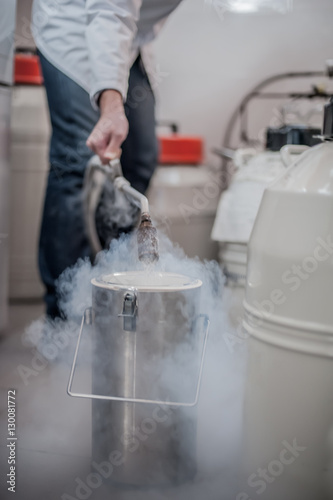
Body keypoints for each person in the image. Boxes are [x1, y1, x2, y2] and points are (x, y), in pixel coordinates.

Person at [31, 0, 182, 319]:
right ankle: (66, 311)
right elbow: (109, 11)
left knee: (140, 159)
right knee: (78, 160)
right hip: (75, 26)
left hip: (130, 39)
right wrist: (111, 105)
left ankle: (108, 286)